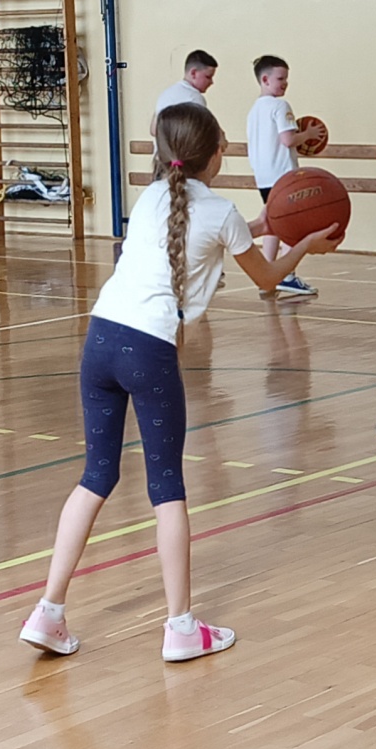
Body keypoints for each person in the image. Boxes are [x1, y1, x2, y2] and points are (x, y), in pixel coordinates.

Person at [18, 103, 340, 661]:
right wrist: (305, 245)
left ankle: (48, 611)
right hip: (148, 350)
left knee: (95, 476)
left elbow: (212, 234)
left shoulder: (152, 198)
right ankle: (181, 627)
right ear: (215, 154)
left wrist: (266, 227)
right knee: (166, 487)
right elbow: (267, 277)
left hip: (100, 339)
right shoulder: (221, 211)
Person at [245, 54, 313, 297]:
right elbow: (288, 139)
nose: (285, 83)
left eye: (286, 79)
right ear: (265, 79)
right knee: (293, 225)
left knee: (272, 225)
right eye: (280, 79)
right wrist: (309, 135)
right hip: (284, 177)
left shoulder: (253, 110)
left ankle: (266, 274)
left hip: (263, 177)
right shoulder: (280, 106)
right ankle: (287, 275)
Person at [150, 49, 217, 131]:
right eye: (208, 77)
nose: (211, 82)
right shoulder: (194, 98)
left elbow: (153, 130)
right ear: (193, 73)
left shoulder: (165, 94)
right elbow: (199, 132)